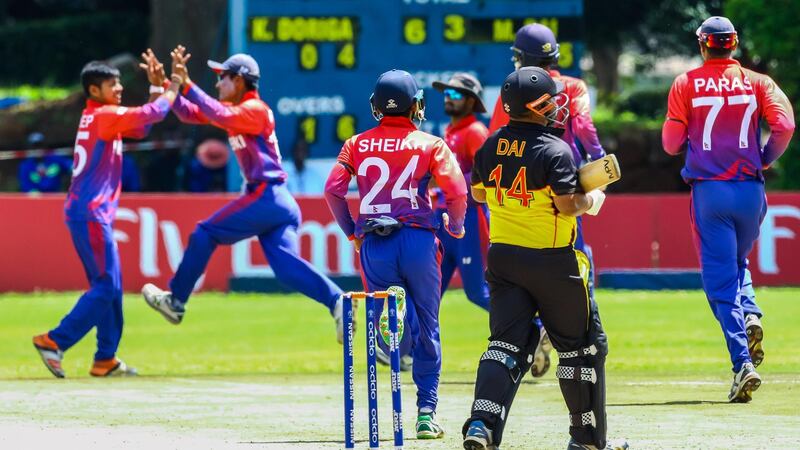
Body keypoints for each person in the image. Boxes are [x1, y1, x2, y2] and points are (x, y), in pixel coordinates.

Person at [462, 67, 627, 450]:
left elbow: (480, 195)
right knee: (582, 348)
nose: (556, 107)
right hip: (552, 261)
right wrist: (593, 199)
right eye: (550, 101)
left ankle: (481, 426)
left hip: (503, 259)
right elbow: (569, 205)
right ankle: (586, 441)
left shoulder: (490, 146)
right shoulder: (556, 149)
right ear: (535, 107)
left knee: (505, 345)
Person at [139, 47, 347, 342]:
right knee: (287, 269)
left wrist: (186, 84)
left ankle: (176, 302)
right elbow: (189, 113)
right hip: (278, 201)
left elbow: (218, 112)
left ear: (239, 81)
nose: (217, 84)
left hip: (266, 195)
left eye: (222, 78)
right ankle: (340, 302)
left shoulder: (254, 110)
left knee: (204, 233)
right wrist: (166, 85)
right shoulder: (238, 111)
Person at [324, 69, 467, 440]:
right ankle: (425, 414)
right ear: (415, 105)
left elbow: (332, 191)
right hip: (418, 241)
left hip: (375, 242)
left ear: (376, 106)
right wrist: (454, 226)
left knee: (388, 316)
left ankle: (395, 327)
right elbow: (457, 191)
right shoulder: (432, 144)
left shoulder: (356, 144)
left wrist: (352, 231)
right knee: (429, 326)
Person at [662, 16, 795, 402]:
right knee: (738, 266)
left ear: (703, 45)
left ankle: (742, 364)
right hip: (751, 191)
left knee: (720, 285)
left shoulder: (685, 84)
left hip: (711, 193)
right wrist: (765, 158)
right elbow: (784, 125)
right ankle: (751, 314)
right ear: (733, 45)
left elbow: (671, 144)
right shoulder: (759, 82)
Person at [32, 56, 182, 378]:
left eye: (118, 82)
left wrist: (156, 87)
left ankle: (105, 359)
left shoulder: (100, 116)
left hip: (88, 212)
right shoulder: (104, 115)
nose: (119, 88)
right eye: (112, 84)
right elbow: (153, 113)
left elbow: (141, 127)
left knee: (110, 288)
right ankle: (53, 341)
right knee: (105, 287)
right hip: (91, 213)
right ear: (94, 89)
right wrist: (173, 87)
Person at [490, 23, 608, 378]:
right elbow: (586, 131)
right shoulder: (574, 86)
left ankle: (536, 330)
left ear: (523, 57)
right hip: (567, 183)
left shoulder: (512, 90)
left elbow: (500, 137)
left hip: (525, 188)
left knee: (526, 262)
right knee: (572, 260)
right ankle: (582, 337)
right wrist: (601, 169)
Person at [431, 72, 491, 311]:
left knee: (478, 293)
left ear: (470, 101)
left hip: (469, 221)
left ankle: (536, 328)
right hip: (443, 219)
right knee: (431, 293)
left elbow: (486, 176)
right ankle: (411, 348)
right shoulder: (451, 132)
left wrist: (446, 181)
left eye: (455, 94)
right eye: (447, 93)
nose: (448, 98)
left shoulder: (475, 132)